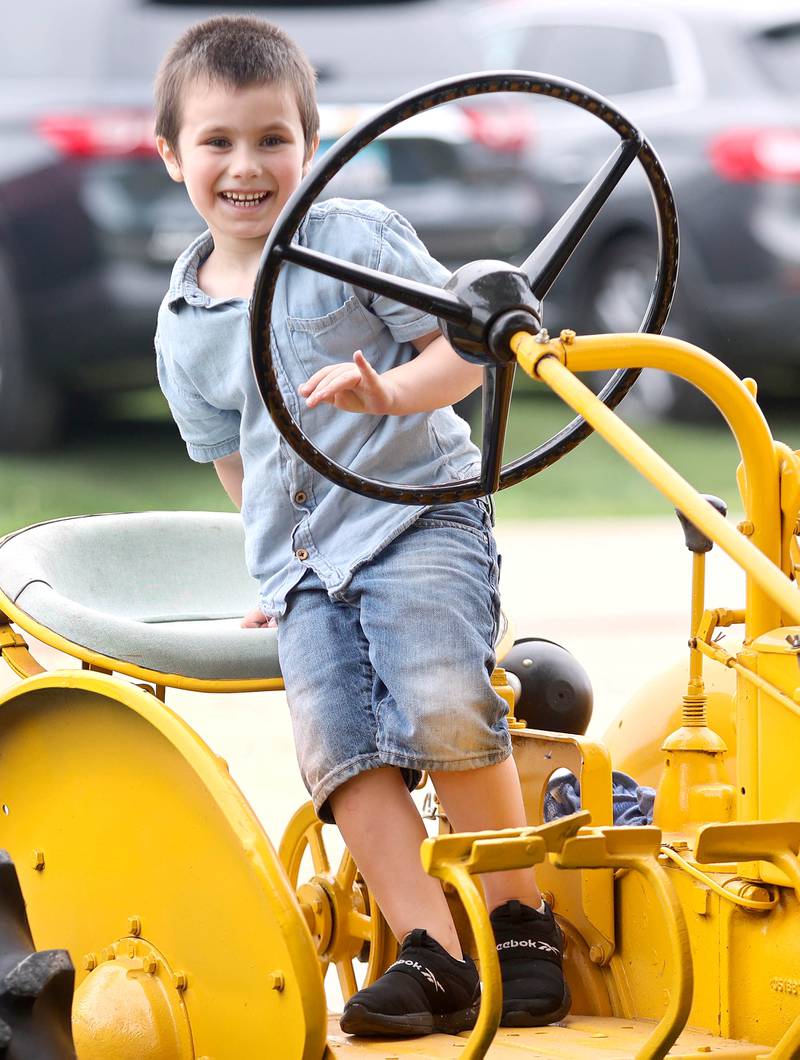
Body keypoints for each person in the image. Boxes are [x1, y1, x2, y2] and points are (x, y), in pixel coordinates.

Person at [153, 14, 569, 1037]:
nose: (245, 167)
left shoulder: (352, 238)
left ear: (312, 142)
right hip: (305, 567)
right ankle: (430, 951)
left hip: (415, 519)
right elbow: (233, 458)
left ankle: (515, 921)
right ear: (170, 157)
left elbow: (463, 352)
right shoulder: (181, 320)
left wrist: (389, 395)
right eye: (216, 143)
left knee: (435, 693)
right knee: (336, 745)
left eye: (270, 140)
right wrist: (273, 565)